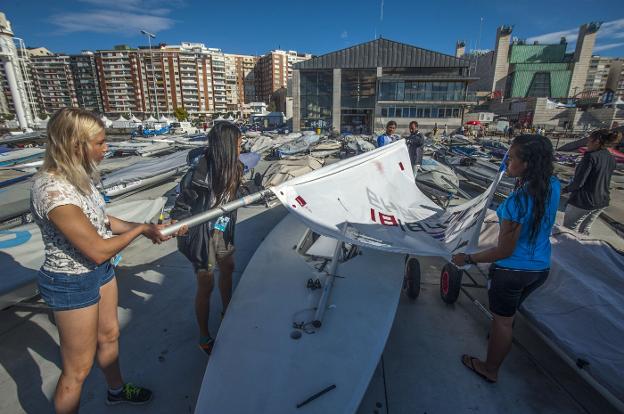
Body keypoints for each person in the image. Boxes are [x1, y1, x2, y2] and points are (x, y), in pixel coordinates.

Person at [31, 108, 175, 413]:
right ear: (75, 145)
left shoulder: (77, 178)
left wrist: (148, 227)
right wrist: (139, 230)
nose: (105, 147)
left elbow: (100, 219)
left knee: (109, 336)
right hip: (71, 281)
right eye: (100, 142)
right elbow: (97, 248)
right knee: (77, 370)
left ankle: (116, 391)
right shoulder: (52, 190)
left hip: (100, 272)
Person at [451, 134, 560, 383]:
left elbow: (503, 251)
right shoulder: (553, 185)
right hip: (540, 269)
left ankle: (489, 368)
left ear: (527, 164)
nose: (506, 162)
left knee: (503, 323)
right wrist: (512, 170)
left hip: (511, 272)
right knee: (509, 315)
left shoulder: (516, 203)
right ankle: (500, 339)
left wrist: (467, 258)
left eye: (510, 158)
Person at [171, 122, 243, 355]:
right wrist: (178, 223)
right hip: (202, 236)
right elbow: (181, 205)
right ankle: (204, 336)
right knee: (206, 283)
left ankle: (227, 310)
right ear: (226, 146)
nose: (241, 147)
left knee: (229, 267)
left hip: (222, 230)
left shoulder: (236, 168)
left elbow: (234, 196)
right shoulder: (199, 174)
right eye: (238, 143)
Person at [562, 129, 620, 235]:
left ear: (597, 141)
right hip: (602, 200)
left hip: (584, 201)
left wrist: (564, 190)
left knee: (568, 231)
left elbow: (579, 183)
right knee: (584, 230)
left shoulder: (590, 157)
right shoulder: (611, 157)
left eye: (589, 140)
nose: (587, 143)